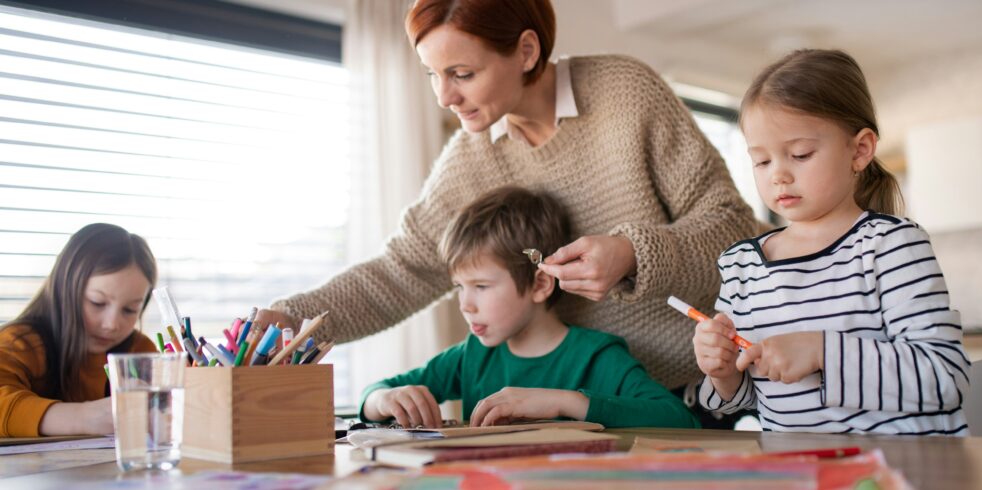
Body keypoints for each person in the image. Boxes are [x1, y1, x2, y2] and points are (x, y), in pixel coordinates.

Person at [255, 0, 761, 392]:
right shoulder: (471, 159)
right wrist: (290, 321)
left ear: (525, 50)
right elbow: (400, 272)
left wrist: (632, 252)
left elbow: (735, 230)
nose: (444, 97)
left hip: (686, 390)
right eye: (432, 74)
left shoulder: (624, 95)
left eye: (462, 74)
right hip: (571, 401)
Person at [692, 49, 970, 435]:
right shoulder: (742, 267)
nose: (779, 176)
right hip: (800, 472)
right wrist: (722, 372)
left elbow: (945, 377)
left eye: (800, 154)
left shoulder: (890, 246)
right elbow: (749, 397)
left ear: (859, 151)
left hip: (901, 472)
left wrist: (822, 351)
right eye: (762, 161)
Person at [360, 186, 698, 429]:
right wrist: (385, 401)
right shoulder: (470, 356)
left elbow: (678, 418)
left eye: (481, 286)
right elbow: (374, 394)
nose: (466, 305)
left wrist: (565, 401)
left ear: (539, 284)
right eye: (459, 287)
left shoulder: (596, 357)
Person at [0, 223, 159, 437]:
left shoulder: (139, 350)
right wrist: (85, 418)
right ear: (65, 288)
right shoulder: (21, 343)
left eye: (130, 310)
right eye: (97, 302)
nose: (111, 324)